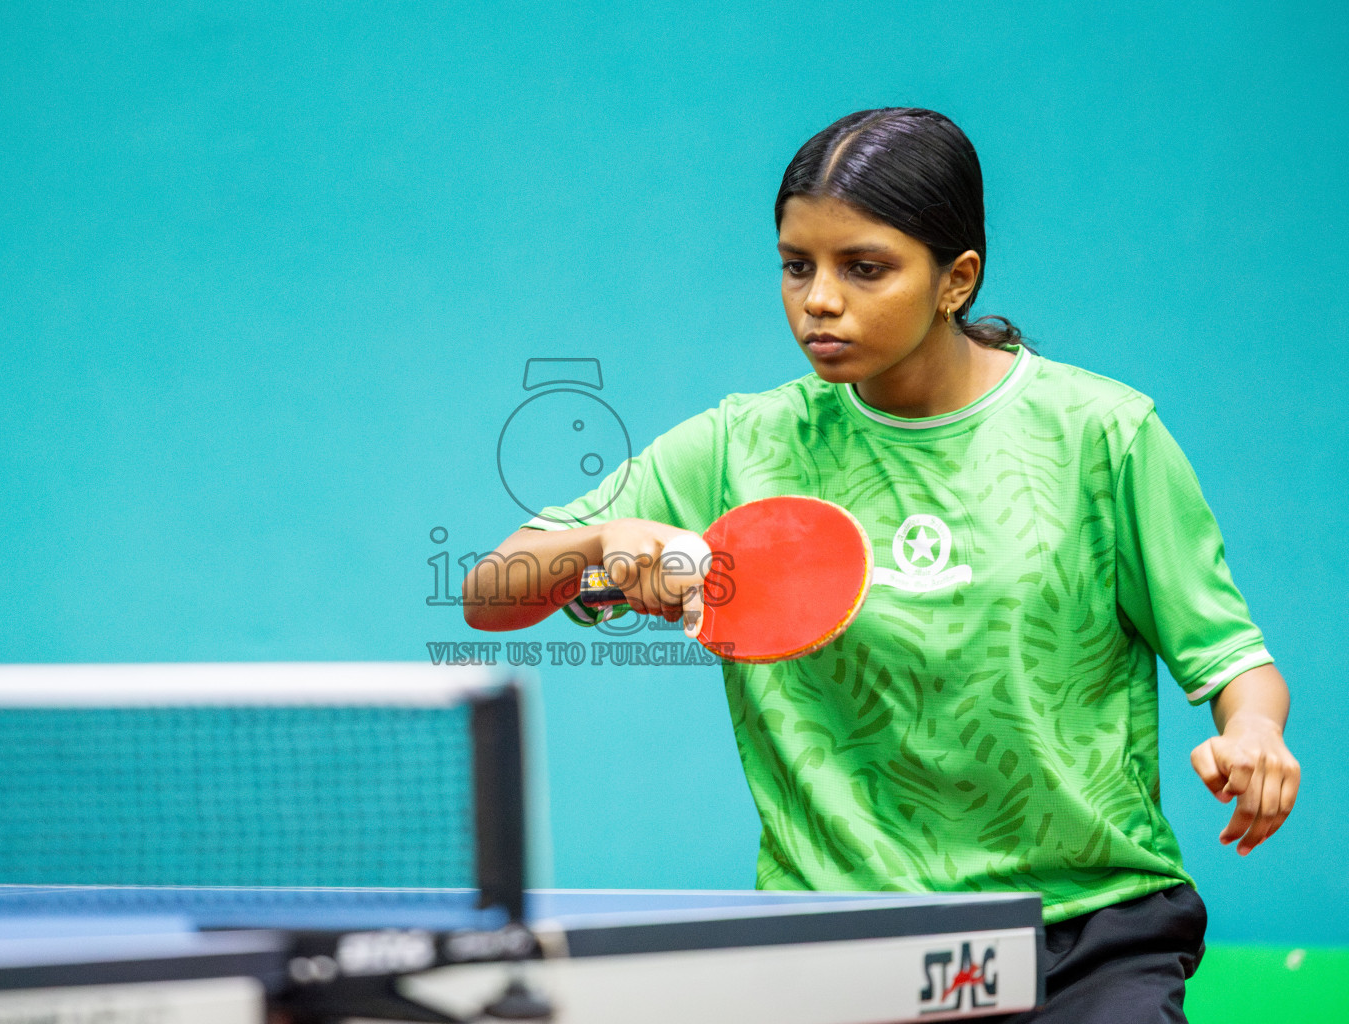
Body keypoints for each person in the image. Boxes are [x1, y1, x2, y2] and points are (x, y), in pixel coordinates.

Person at [463, 107, 1300, 1022]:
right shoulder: (745, 443)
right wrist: (593, 546)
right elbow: (488, 593)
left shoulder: (1104, 436)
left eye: (865, 268)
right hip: (840, 938)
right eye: (797, 265)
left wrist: (1253, 733)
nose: (819, 299)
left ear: (957, 279)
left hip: (1084, 934)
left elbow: (1231, 660)